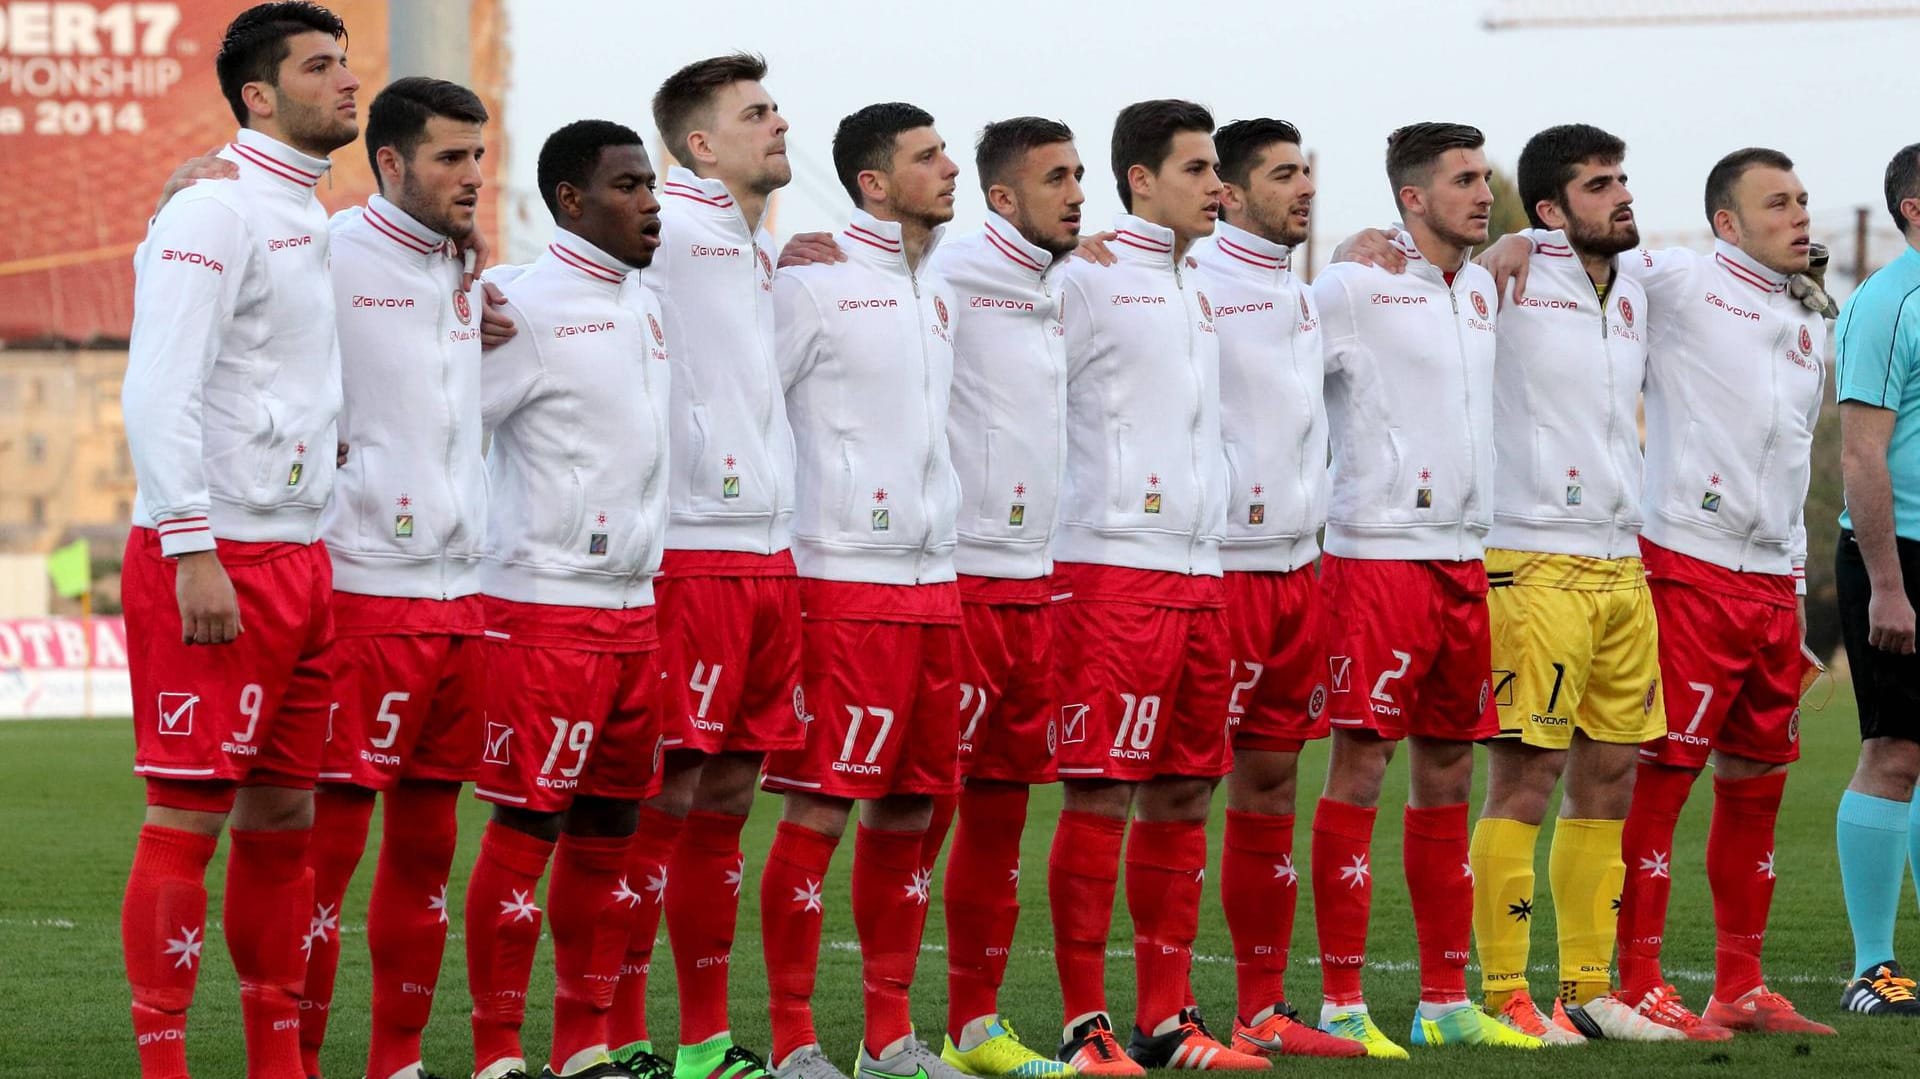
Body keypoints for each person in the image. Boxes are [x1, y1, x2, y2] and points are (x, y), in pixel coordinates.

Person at [1484, 146, 1836, 1038]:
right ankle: (1632, 977)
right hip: (1682, 564)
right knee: (1652, 781)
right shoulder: (1673, 276)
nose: (1800, 215)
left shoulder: (1809, 318)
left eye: (1802, 200)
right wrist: (1521, 237)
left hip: (1768, 582)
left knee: (1758, 785)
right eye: (1777, 203)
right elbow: (1579, 245)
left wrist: (1793, 584)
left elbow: (1791, 457)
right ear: (1727, 223)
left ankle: (1741, 983)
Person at [118, 4, 356, 1076]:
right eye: (320, 66)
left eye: (347, 62)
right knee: (189, 808)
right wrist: (190, 540)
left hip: (303, 554)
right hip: (217, 555)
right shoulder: (215, 210)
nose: (346, 82)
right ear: (260, 95)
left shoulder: (307, 212)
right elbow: (158, 385)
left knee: (285, 815)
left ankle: (277, 1061)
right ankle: (164, 1062)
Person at [1047, 98, 1267, 1075]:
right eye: (1197, 169)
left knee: (1184, 793)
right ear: (1141, 179)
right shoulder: (1084, 277)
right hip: (1111, 572)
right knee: (1102, 795)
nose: (1219, 187)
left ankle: (1168, 1021)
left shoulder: (1198, 284)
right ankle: (1082, 1024)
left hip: (1201, 571)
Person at [1308, 122, 1537, 1055]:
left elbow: (1582, 243)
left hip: (1461, 561)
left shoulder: (1483, 284)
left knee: (1449, 768)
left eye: (1486, 178)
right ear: (1411, 198)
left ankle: (1444, 1000)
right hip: (1374, 559)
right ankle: (1340, 1003)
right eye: (1464, 181)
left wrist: (1529, 240)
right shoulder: (1354, 286)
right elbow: (1267, 351)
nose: (1485, 195)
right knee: (1361, 767)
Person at [755, 101, 970, 1079]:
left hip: (936, 584)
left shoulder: (935, 286)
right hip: (843, 583)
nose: (951, 167)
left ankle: (888, 1034)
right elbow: (755, 409)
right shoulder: (810, 279)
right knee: (821, 807)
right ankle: (796, 1037)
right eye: (929, 157)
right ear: (874, 182)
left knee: (916, 807)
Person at [461, 119, 673, 1079]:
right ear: (572, 201)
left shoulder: (648, 304)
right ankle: (499, 1050)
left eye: (653, 186)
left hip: (637, 610)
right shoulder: (522, 305)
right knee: (530, 823)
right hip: (543, 609)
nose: (651, 204)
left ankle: (582, 1044)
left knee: (610, 831)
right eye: (629, 186)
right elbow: (446, 420)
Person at [1461, 124, 1681, 1046]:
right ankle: (1503, 990)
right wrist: (1496, 243)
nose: (1621, 195)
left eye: (1622, 178)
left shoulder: (1640, 283)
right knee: (1527, 774)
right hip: (1531, 556)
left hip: (1620, 561)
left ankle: (1590, 991)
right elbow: (1407, 263)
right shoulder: (1502, 278)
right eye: (1598, 185)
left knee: (1611, 774)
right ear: (1549, 211)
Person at [605, 54, 799, 1079]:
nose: (779, 123)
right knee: (661, 799)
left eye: (775, 108)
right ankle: (622, 1035)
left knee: (724, 801)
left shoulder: (756, 247)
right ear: (699, 144)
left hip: (767, 557)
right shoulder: (667, 228)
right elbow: (549, 273)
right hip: (688, 552)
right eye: (755, 113)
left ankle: (703, 1040)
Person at [295, 76, 492, 1079]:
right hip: (363, 591)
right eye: (451, 158)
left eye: (478, 156)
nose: (472, 176)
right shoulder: (326, 253)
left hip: (461, 597)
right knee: (323, 860)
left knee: (426, 860)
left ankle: (397, 1063)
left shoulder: (463, 266)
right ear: (389, 163)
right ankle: (293, 1061)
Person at [1186, 117, 1364, 1062]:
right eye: (1282, 174)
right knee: (1175, 793)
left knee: (1270, 787)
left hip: (1302, 574)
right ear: (1228, 192)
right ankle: (1167, 1008)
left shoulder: (1306, 295)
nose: (1302, 187)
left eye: (1308, 171)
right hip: (1217, 575)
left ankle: (1262, 1005)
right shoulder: (1195, 284)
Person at [923, 116, 1082, 1077]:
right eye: (1055, 177)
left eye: (1078, 175)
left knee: (1004, 808)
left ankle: (975, 1026)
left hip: (1037, 579)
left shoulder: (1065, 280)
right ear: (1001, 197)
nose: (1076, 191)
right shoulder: (944, 269)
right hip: (958, 576)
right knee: (922, 809)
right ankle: (885, 1035)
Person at [1832, 140, 1920, 1018]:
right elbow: (1861, 455)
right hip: (1900, 557)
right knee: (1893, 754)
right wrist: (1890, 585)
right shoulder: (1887, 305)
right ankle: (1873, 969)